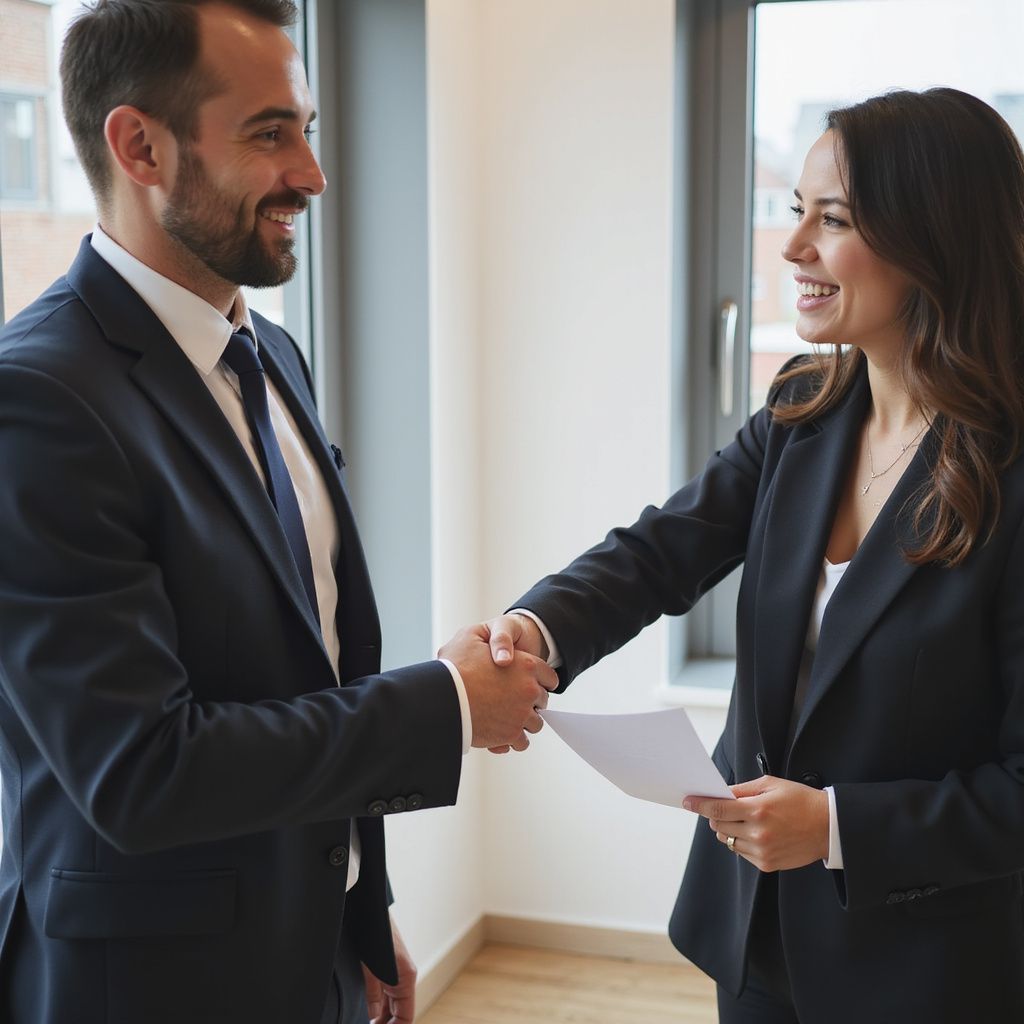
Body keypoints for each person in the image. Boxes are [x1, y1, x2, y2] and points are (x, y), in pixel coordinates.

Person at [0, 2, 556, 1023]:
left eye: (308, 128)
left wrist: (359, 898)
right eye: (270, 132)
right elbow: (141, 773)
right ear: (140, 147)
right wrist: (448, 703)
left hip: (309, 946)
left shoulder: (274, 358)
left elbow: (311, 661)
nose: (312, 172)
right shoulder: (34, 402)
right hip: (148, 988)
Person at [483, 87, 1024, 1022]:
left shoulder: (1011, 469)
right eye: (794, 211)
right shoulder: (803, 406)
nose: (792, 249)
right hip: (757, 932)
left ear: (934, 236)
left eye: (834, 219)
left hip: (930, 965)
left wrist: (836, 827)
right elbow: (662, 550)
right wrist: (537, 629)